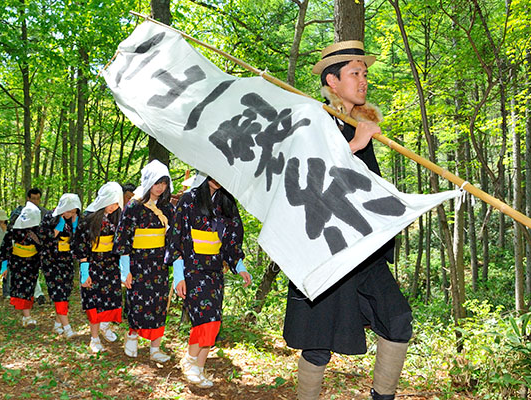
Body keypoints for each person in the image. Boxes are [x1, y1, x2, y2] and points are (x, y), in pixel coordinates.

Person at [282, 41, 412, 400]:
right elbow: (305, 182)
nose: (363, 80)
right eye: (355, 73)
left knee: (397, 319)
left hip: (365, 250)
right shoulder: (314, 119)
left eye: (365, 73)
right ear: (333, 81)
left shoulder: (358, 123)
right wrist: (353, 144)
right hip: (328, 251)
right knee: (318, 341)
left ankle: (382, 397)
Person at [166, 175, 251, 387]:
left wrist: (240, 267)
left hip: (214, 271)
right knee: (203, 319)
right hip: (192, 269)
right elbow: (177, 238)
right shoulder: (189, 199)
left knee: (213, 320)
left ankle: (198, 367)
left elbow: (232, 239)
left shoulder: (227, 203)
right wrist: (179, 276)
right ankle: (190, 362)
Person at [114, 160, 175, 362]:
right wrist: (125, 270)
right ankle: (132, 335)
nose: (160, 187)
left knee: (158, 304)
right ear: (149, 182)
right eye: (157, 182)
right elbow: (123, 239)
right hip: (138, 263)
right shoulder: (134, 206)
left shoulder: (167, 208)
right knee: (138, 302)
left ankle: (155, 348)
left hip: (159, 264)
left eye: (164, 183)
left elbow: (174, 235)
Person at [72, 182, 124, 353]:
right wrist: (85, 270)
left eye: (117, 203)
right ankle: (94, 338)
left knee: (112, 298)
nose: (114, 207)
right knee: (94, 301)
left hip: (111, 264)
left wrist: (124, 267)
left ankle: (105, 325)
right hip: (93, 263)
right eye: (112, 203)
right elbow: (80, 245)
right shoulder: (88, 218)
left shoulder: (118, 216)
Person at [40, 193, 81, 337]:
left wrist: (75, 223)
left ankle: (57, 325)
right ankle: (67, 328)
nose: (70, 214)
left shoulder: (73, 220)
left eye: (73, 212)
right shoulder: (49, 217)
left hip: (66, 260)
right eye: (68, 211)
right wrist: (59, 224)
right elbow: (46, 238)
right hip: (51, 260)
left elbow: (77, 240)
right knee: (58, 293)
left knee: (65, 292)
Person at [0, 201, 42, 327]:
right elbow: (5, 248)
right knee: (22, 289)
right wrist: (4, 266)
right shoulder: (13, 231)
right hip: (18, 263)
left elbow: (43, 247)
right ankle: (27, 316)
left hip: (32, 263)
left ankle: (26, 316)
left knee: (30, 288)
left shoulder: (37, 231)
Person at [9, 188, 47, 305]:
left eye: (38, 199)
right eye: (33, 198)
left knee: (34, 274)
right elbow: (12, 229)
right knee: (23, 277)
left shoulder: (44, 213)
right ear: (28, 198)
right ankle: (32, 296)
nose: (36, 201)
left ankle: (36, 295)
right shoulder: (19, 212)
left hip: (37, 250)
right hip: (21, 251)